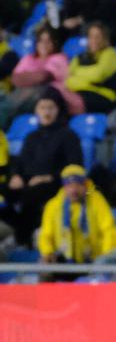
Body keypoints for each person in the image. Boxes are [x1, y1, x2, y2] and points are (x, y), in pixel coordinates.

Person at [7, 92, 83, 245]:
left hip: (55, 183)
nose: (46, 112)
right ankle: (10, 233)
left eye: (51, 108)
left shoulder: (68, 135)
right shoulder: (31, 136)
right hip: (28, 182)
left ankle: (24, 240)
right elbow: (21, 163)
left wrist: (48, 177)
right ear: (36, 110)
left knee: (31, 195)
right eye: (42, 107)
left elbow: (75, 165)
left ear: (58, 110)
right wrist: (16, 176)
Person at [37, 164, 116, 263]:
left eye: (78, 185)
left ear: (85, 185)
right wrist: (48, 252)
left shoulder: (97, 201)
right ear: (64, 187)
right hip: (63, 260)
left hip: (94, 260)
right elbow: (45, 235)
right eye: (69, 185)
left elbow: (109, 230)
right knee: (44, 264)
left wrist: (106, 256)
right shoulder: (53, 205)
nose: (73, 190)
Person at [8, 27, 73, 116]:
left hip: (50, 99)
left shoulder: (60, 58)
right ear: (37, 43)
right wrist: (36, 77)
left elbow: (44, 76)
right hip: (23, 96)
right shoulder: (28, 58)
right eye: (41, 41)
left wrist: (26, 77)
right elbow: (15, 79)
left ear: (54, 43)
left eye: (48, 41)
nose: (44, 44)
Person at [65, 21, 116, 114]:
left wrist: (78, 72)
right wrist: (86, 80)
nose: (94, 40)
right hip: (80, 93)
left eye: (98, 36)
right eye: (91, 36)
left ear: (105, 38)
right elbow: (68, 80)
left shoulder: (110, 53)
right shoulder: (79, 56)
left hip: (103, 96)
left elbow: (98, 75)